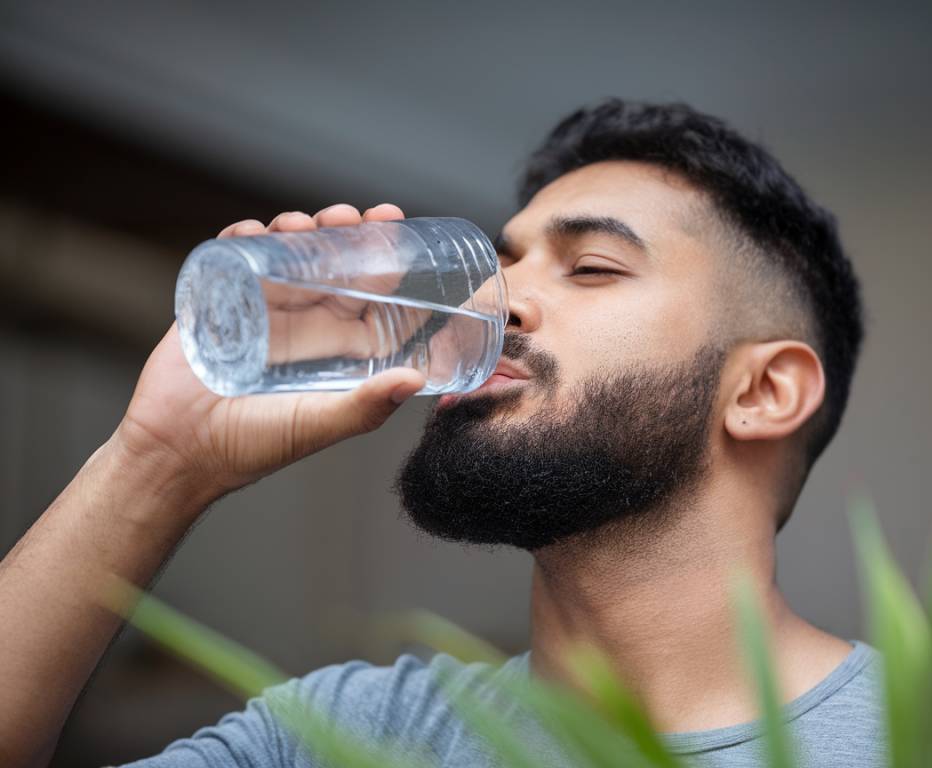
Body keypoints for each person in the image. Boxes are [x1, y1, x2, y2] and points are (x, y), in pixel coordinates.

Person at [0, 99, 883, 767]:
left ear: (765, 390)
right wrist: (155, 462)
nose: (490, 301)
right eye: (502, 263)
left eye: (592, 267)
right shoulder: (343, 734)